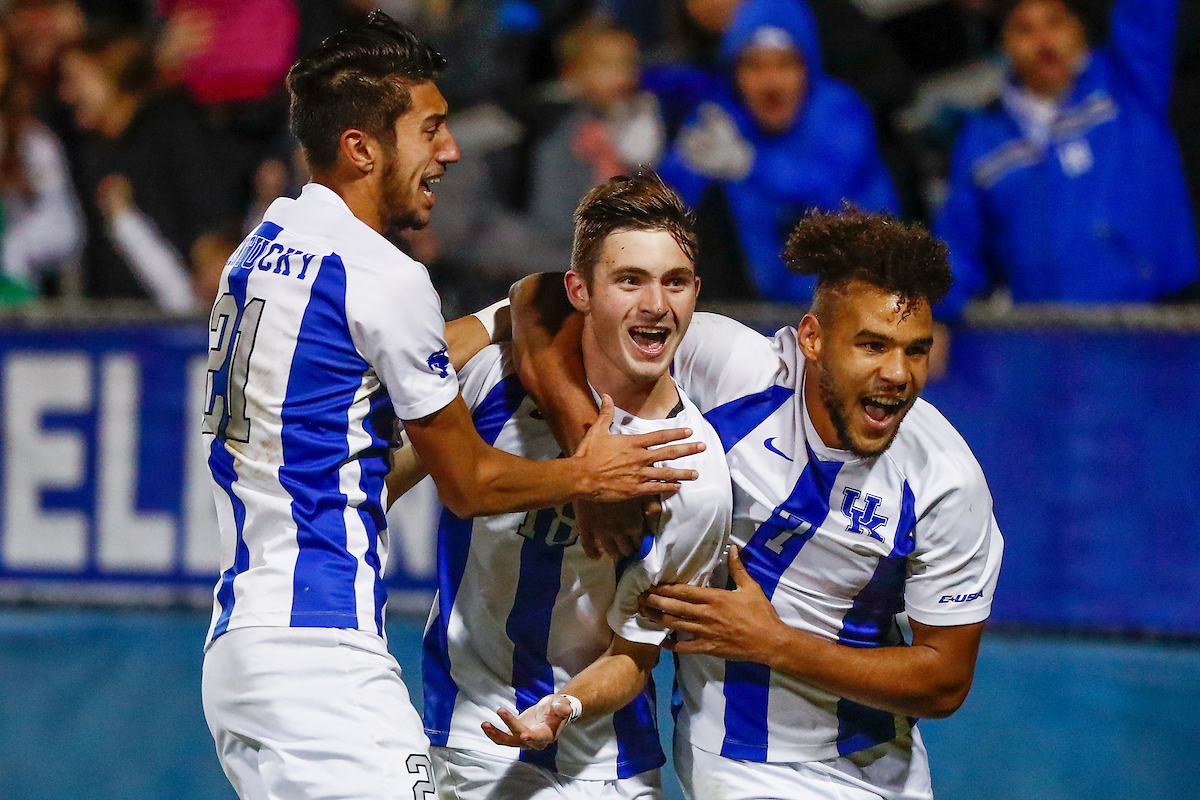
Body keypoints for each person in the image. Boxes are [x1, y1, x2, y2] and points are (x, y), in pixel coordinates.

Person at [199, 15, 704, 800]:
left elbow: (371, 440)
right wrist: (586, 472)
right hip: (320, 652)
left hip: (237, 651)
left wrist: (511, 314)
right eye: (430, 129)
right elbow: (466, 481)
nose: (452, 151)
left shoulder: (260, 248)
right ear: (363, 147)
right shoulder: (384, 276)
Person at [511, 209, 1003, 799]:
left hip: (882, 767)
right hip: (738, 760)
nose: (897, 374)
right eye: (872, 345)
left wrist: (775, 644)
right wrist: (588, 466)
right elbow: (538, 301)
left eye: (914, 351)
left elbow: (945, 681)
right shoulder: (733, 370)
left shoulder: (947, 483)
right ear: (812, 339)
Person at [395, 172, 732, 800]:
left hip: (610, 764)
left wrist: (564, 708)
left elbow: (635, 656)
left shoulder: (698, 474)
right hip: (475, 738)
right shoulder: (491, 381)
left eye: (674, 282)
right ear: (579, 290)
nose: (655, 304)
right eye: (629, 280)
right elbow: (373, 480)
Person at [934, 0, 1199, 315]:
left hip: (1167, 319)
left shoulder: (1128, 83)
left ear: (1079, 29)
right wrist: (932, 318)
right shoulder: (981, 141)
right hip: (1056, 341)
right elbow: (956, 253)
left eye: (1055, 22)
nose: (1044, 42)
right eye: (1025, 30)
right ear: (1004, 44)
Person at [658, 0, 898, 303]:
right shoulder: (724, 118)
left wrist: (752, 166)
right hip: (762, 309)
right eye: (755, 66)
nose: (771, 82)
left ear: (807, 65)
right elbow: (669, 205)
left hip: (855, 299)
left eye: (785, 64)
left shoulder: (840, 112)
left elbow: (835, 195)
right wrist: (640, 163)